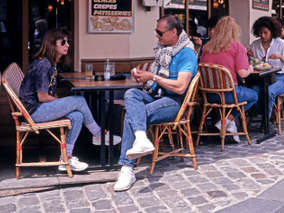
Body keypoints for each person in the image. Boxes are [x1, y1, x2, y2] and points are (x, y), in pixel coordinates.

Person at [114, 15, 198, 191]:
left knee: (133, 115)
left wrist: (152, 76)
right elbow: (155, 81)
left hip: (174, 102)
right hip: (155, 95)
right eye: (156, 32)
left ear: (173, 32)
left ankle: (127, 168)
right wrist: (142, 78)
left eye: (160, 33)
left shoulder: (187, 54)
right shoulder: (163, 50)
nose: (156, 36)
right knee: (131, 94)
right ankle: (141, 138)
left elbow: (181, 87)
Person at [19, 28, 120, 173]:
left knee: (77, 116)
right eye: (63, 42)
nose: (67, 45)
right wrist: (60, 102)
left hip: (39, 108)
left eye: (68, 42)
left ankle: (65, 158)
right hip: (34, 112)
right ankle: (98, 134)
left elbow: (46, 95)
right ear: (52, 45)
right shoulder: (43, 65)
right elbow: (42, 97)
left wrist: (60, 103)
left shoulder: (50, 63)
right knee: (79, 100)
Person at [200, 16, 258, 142]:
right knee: (254, 95)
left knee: (241, 94)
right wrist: (250, 69)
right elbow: (242, 73)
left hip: (208, 95)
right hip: (228, 94)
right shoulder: (237, 46)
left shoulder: (206, 47)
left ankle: (226, 123)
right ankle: (227, 120)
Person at [248, 17, 284, 128]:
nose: (262, 35)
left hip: (279, 78)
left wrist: (280, 57)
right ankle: (265, 114)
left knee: (269, 92)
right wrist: (248, 56)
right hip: (261, 78)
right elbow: (253, 63)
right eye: (260, 32)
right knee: (253, 92)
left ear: (272, 31)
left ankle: (265, 122)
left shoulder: (281, 44)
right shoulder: (255, 44)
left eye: (265, 32)